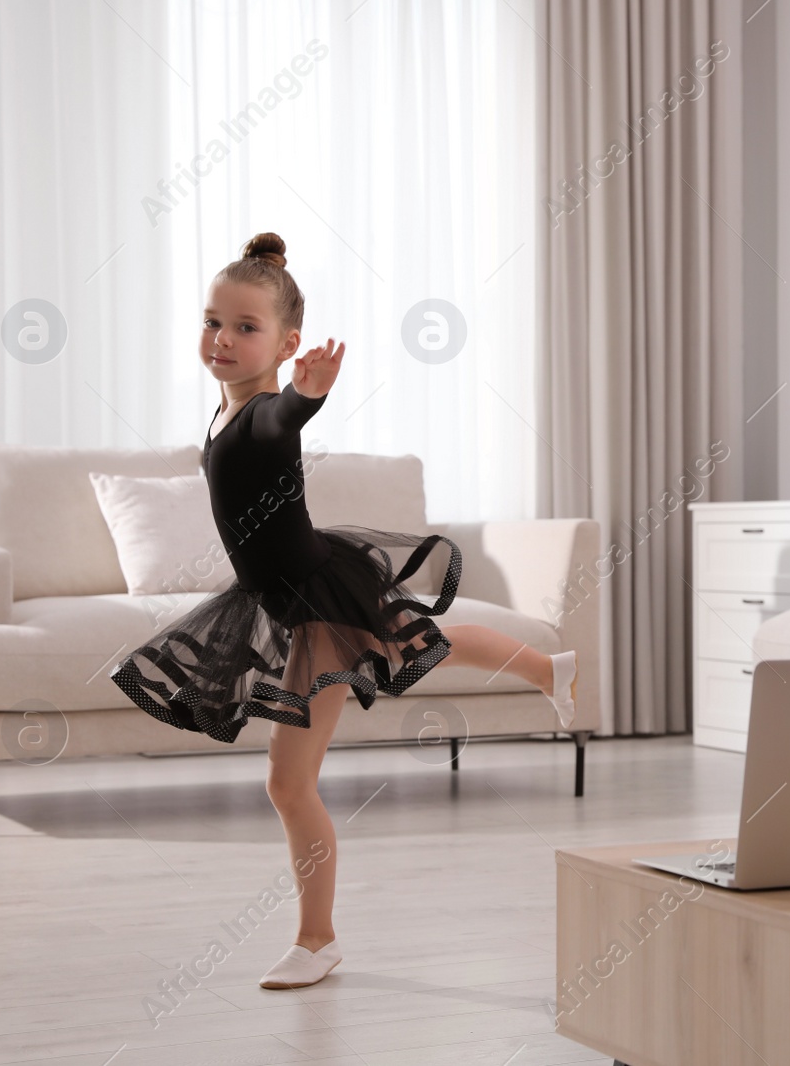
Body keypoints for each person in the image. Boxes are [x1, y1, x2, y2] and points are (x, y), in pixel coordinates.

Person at [110, 232, 578, 990]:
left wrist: (308, 392)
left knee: (290, 782)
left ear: (287, 343)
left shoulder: (263, 414)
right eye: (212, 321)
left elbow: (281, 420)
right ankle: (549, 668)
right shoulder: (223, 411)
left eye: (245, 327)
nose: (222, 339)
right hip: (296, 592)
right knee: (430, 644)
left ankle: (318, 938)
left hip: (315, 605)